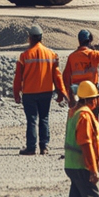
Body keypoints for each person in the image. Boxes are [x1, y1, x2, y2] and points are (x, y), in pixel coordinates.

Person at [12, 23, 67, 155]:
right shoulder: (51, 54)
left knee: (31, 120)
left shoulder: (24, 56)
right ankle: (44, 147)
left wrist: (16, 93)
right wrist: (61, 92)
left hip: (29, 93)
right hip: (46, 92)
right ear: (41, 38)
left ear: (30, 38)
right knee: (44, 118)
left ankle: (31, 148)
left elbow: (18, 77)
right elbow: (57, 76)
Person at [63, 29, 99, 116]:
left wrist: (69, 96)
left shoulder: (72, 57)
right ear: (90, 40)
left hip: (77, 95)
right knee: (93, 120)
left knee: (78, 121)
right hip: (91, 95)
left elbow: (65, 77)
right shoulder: (94, 54)